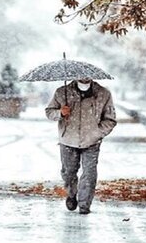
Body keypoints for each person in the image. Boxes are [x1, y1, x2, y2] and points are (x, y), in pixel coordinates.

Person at [45, 78, 117, 214]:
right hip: (68, 140)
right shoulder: (62, 92)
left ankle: (84, 205)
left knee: (89, 174)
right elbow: (49, 112)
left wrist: (97, 132)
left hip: (92, 141)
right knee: (69, 172)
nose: (84, 77)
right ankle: (71, 194)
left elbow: (110, 119)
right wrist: (60, 113)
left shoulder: (103, 93)